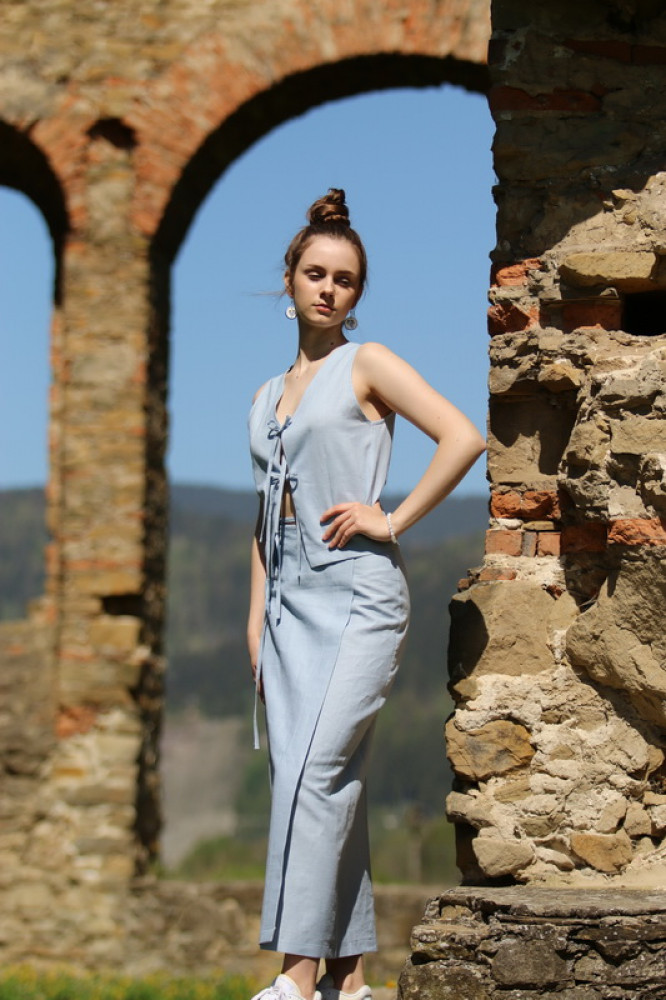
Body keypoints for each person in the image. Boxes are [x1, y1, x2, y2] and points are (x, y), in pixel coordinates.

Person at [247, 189, 485, 1000]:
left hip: (358, 597)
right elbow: (262, 520)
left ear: (357, 294)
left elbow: (462, 437)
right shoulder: (262, 398)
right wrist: (255, 621)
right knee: (316, 779)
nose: (328, 289)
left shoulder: (368, 363)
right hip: (286, 611)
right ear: (290, 280)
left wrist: (393, 518)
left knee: (316, 773)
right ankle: (348, 984)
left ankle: (295, 976)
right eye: (315, 273)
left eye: (344, 279)